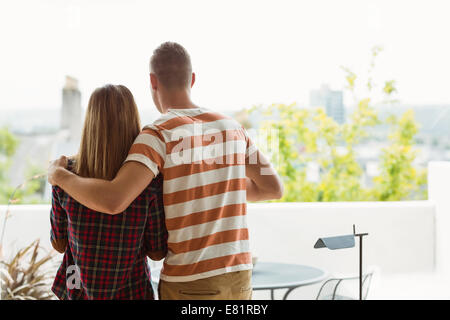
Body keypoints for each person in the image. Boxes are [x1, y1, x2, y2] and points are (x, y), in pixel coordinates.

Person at [48, 42, 283, 300]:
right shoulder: (233, 128)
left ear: (152, 81)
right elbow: (273, 188)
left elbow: (114, 200)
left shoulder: (158, 134)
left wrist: (59, 176)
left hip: (190, 281)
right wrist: (217, 183)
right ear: (192, 79)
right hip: (239, 276)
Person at [50, 84, 167, 300]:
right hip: (133, 293)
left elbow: (58, 243)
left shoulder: (64, 175)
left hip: (78, 292)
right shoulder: (147, 180)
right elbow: (157, 251)